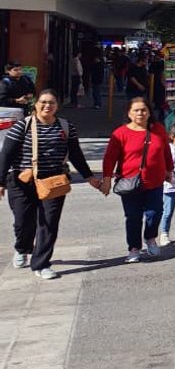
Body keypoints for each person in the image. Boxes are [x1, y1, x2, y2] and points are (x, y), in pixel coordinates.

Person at [0, 90, 104, 278]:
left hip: (54, 181)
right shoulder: (21, 126)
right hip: (23, 181)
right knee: (24, 221)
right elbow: (6, 155)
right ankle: (22, 248)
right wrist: (0, 182)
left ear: (57, 106)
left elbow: (75, 154)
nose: (47, 106)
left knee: (49, 223)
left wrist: (89, 177)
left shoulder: (65, 126)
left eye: (52, 103)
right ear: (36, 104)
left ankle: (41, 264)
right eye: (43, 102)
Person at [102, 98, 174, 264]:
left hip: (154, 181)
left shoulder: (159, 130)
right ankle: (134, 248)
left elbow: (165, 152)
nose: (140, 113)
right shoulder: (120, 133)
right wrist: (106, 179)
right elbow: (110, 158)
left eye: (143, 110)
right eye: (136, 110)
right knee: (133, 217)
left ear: (149, 112)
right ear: (129, 113)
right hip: (129, 182)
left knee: (155, 213)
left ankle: (150, 238)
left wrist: (169, 170)